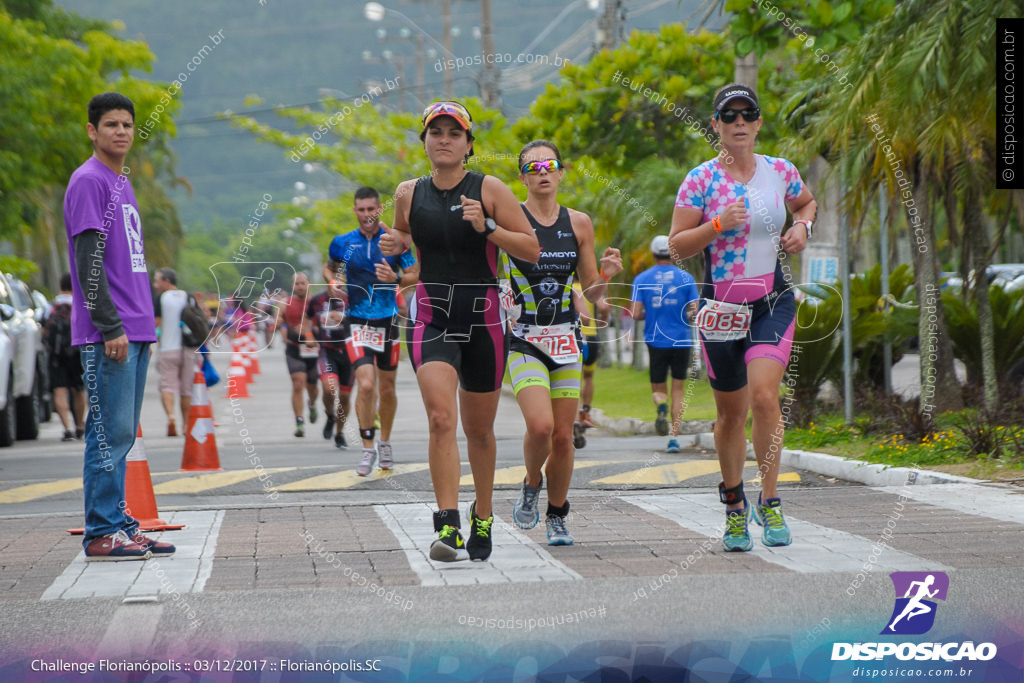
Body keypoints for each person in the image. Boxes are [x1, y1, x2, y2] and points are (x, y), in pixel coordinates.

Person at [381, 101, 539, 562]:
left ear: (469, 145)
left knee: (480, 431)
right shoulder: (408, 193)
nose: (444, 139)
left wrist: (487, 226)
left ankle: (483, 514)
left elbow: (530, 248)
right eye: (436, 132)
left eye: (454, 132)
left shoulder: (489, 188)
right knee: (439, 418)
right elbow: (404, 242)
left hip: (484, 316)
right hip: (432, 313)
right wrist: (398, 245)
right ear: (425, 142)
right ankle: (447, 525)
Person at [670, 84, 817, 551]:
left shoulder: (780, 171)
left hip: (771, 302)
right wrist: (715, 225)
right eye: (728, 115)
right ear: (715, 124)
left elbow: (807, 202)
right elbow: (676, 246)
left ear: (757, 123)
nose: (738, 122)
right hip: (720, 310)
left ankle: (770, 501)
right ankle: (735, 506)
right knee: (730, 415)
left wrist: (802, 226)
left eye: (746, 114)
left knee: (764, 396)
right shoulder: (700, 180)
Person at [64, 92, 174, 561]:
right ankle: (101, 532)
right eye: (111, 124)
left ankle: (121, 523)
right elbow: (89, 263)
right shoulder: (89, 181)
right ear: (92, 131)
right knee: (108, 433)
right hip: (110, 333)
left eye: (127, 125)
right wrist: (110, 326)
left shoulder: (120, 182)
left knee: (123, 433)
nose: (121, 132)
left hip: (135, 329)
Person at [505, 140, 622, 546]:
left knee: (563, 436)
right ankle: (531, 482)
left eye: (549, 165)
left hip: (566, 341)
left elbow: (591, 292)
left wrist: (604, 274)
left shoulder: (580, 223)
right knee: (540, 427)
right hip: (524, 340)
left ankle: (557, 514)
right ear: (522, 176)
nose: (542, 171)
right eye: (532, 166)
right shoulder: (509, 218)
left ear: (560, 173)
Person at [326, 186, 419, 476]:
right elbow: (330, 269)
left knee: (387, 388)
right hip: (357, 321)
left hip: (388, 320)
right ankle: (367, 448)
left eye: (371, 209)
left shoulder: (395, 241)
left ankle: (385, 442)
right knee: (366, 384)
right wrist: (333, 283)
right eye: (361, 209)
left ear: (380, 209)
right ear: (355, 211)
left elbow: (415, 274)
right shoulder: (342, 243)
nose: (367, 214)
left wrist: (396, 278)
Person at [630, 235, 699, 453]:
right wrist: (683, 315)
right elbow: (695, 311)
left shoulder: (641, 279)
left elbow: (634, 313)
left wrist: (648, 314)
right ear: (673, 253)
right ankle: (674, 438)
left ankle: (661, 405)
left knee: (659, 388)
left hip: (655, 340)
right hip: (681, 340)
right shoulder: (686, 278)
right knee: (678, 389)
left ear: (653, 254)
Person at [303, 278, 352, 449]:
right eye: (334, 287)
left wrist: (344, 319)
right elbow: (307, 318)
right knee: (328, 388)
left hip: (349, 353)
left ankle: (339, 433)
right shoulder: (317, 301)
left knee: (345, 397)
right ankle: (330, 415)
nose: (337, 291)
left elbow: (364, 321)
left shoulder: (351, 300)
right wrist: (308, 335)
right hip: (327, 351)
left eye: (341, 287)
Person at [153, 267, 198, 436]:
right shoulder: (188, 296)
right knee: (186, 389)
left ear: (167, 281)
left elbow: (156, 323)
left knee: (167, 386)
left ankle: (171, 417)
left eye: (157, 280)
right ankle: (186, 425)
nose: (155, 284)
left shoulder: (160, 299)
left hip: (167, 349)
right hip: (188, 349)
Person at [277, 272, 319, 437]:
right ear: (292, 286)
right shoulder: (285, 303)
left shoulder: (316, 303)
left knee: (313, 387)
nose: (300, 286)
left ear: (309, 284)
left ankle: (312, 404)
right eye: (297, 284)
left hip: (314, 350)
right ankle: (299, 421)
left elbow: (325, 324)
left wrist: (312, 332)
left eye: (303, 283)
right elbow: (279, 321)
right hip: (294, 348)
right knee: (297, 384)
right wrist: (280, 326)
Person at [44, 273, 86, 441]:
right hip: (76, 352)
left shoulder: (51, 305)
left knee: (59, 390)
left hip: (56, 355)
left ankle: (67, 429)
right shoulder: (79, 303)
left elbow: (43, 329)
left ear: (61, 286)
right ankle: (80, 426)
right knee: (79, 390)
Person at [572, 283, 608, 443]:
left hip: (575, 337)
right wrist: (603, 321)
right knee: (588, 377)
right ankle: (585, 410)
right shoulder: (590, 289)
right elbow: (604, 307)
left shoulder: (568, 287)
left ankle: (576, 414)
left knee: (572, 379)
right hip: (592, 337)